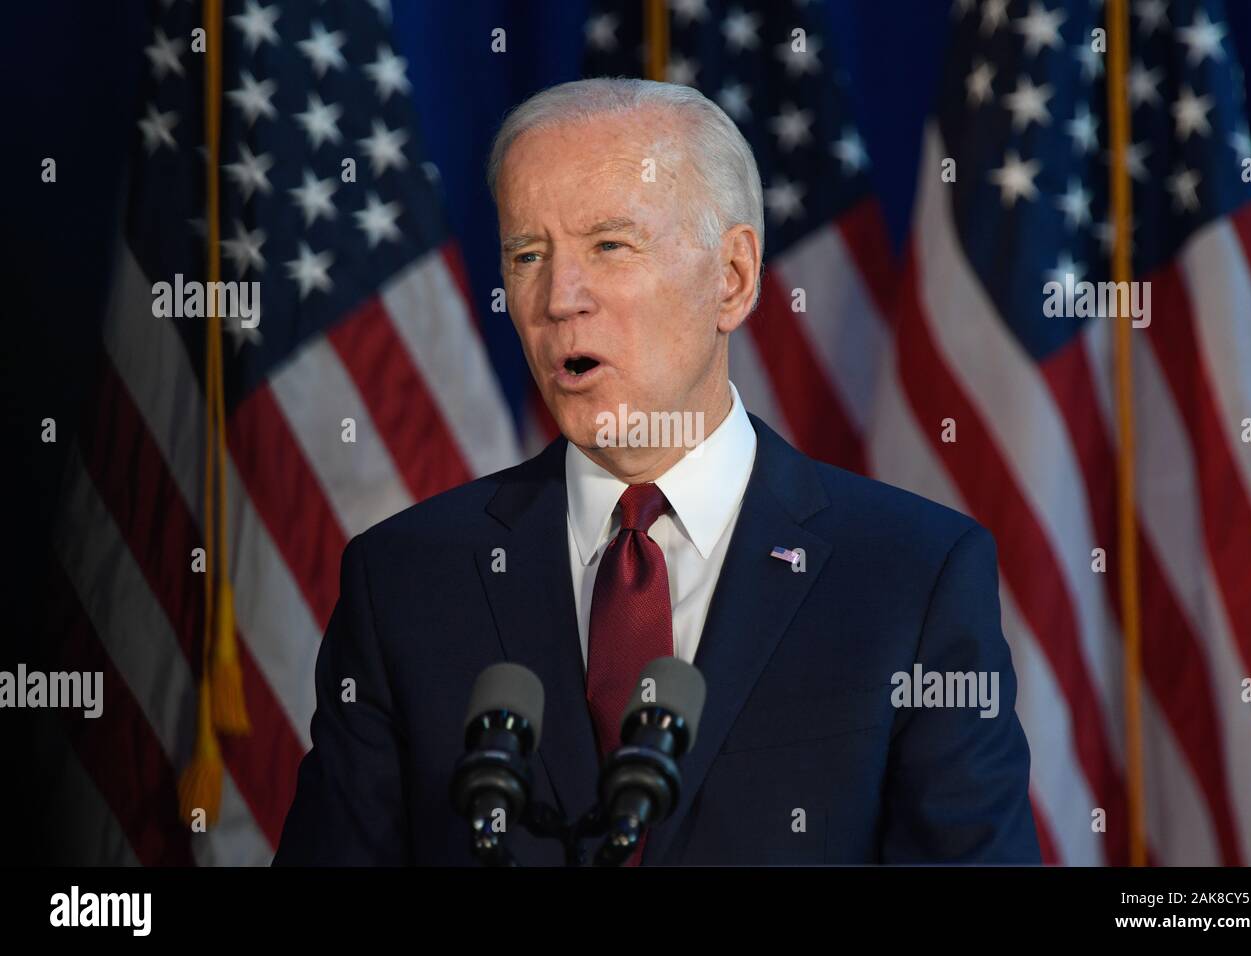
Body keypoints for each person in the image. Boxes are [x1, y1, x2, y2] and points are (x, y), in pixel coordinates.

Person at [274, 78, 1040, 866]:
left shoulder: (911, 577)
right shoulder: (405, 580)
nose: (558, 299)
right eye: (528, 255)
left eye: (610, 245)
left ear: (733, 277)